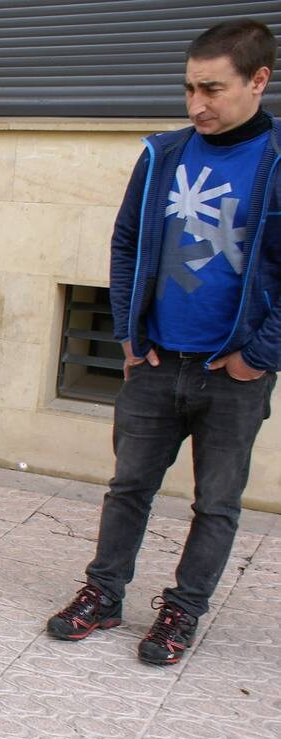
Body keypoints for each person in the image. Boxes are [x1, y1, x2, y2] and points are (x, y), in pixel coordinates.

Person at [47, 20, 281, 665]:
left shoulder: (277, 161)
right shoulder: (162, 156)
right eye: (189, 89)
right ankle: (103, 593)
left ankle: (183, 609)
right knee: (128, 488)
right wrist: (127, 331)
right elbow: (126, 243)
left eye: (214, 89)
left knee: (216, 503)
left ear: (259, 81)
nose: (197, 105)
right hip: (154, 361)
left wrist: (258, 357)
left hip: (231, 372)